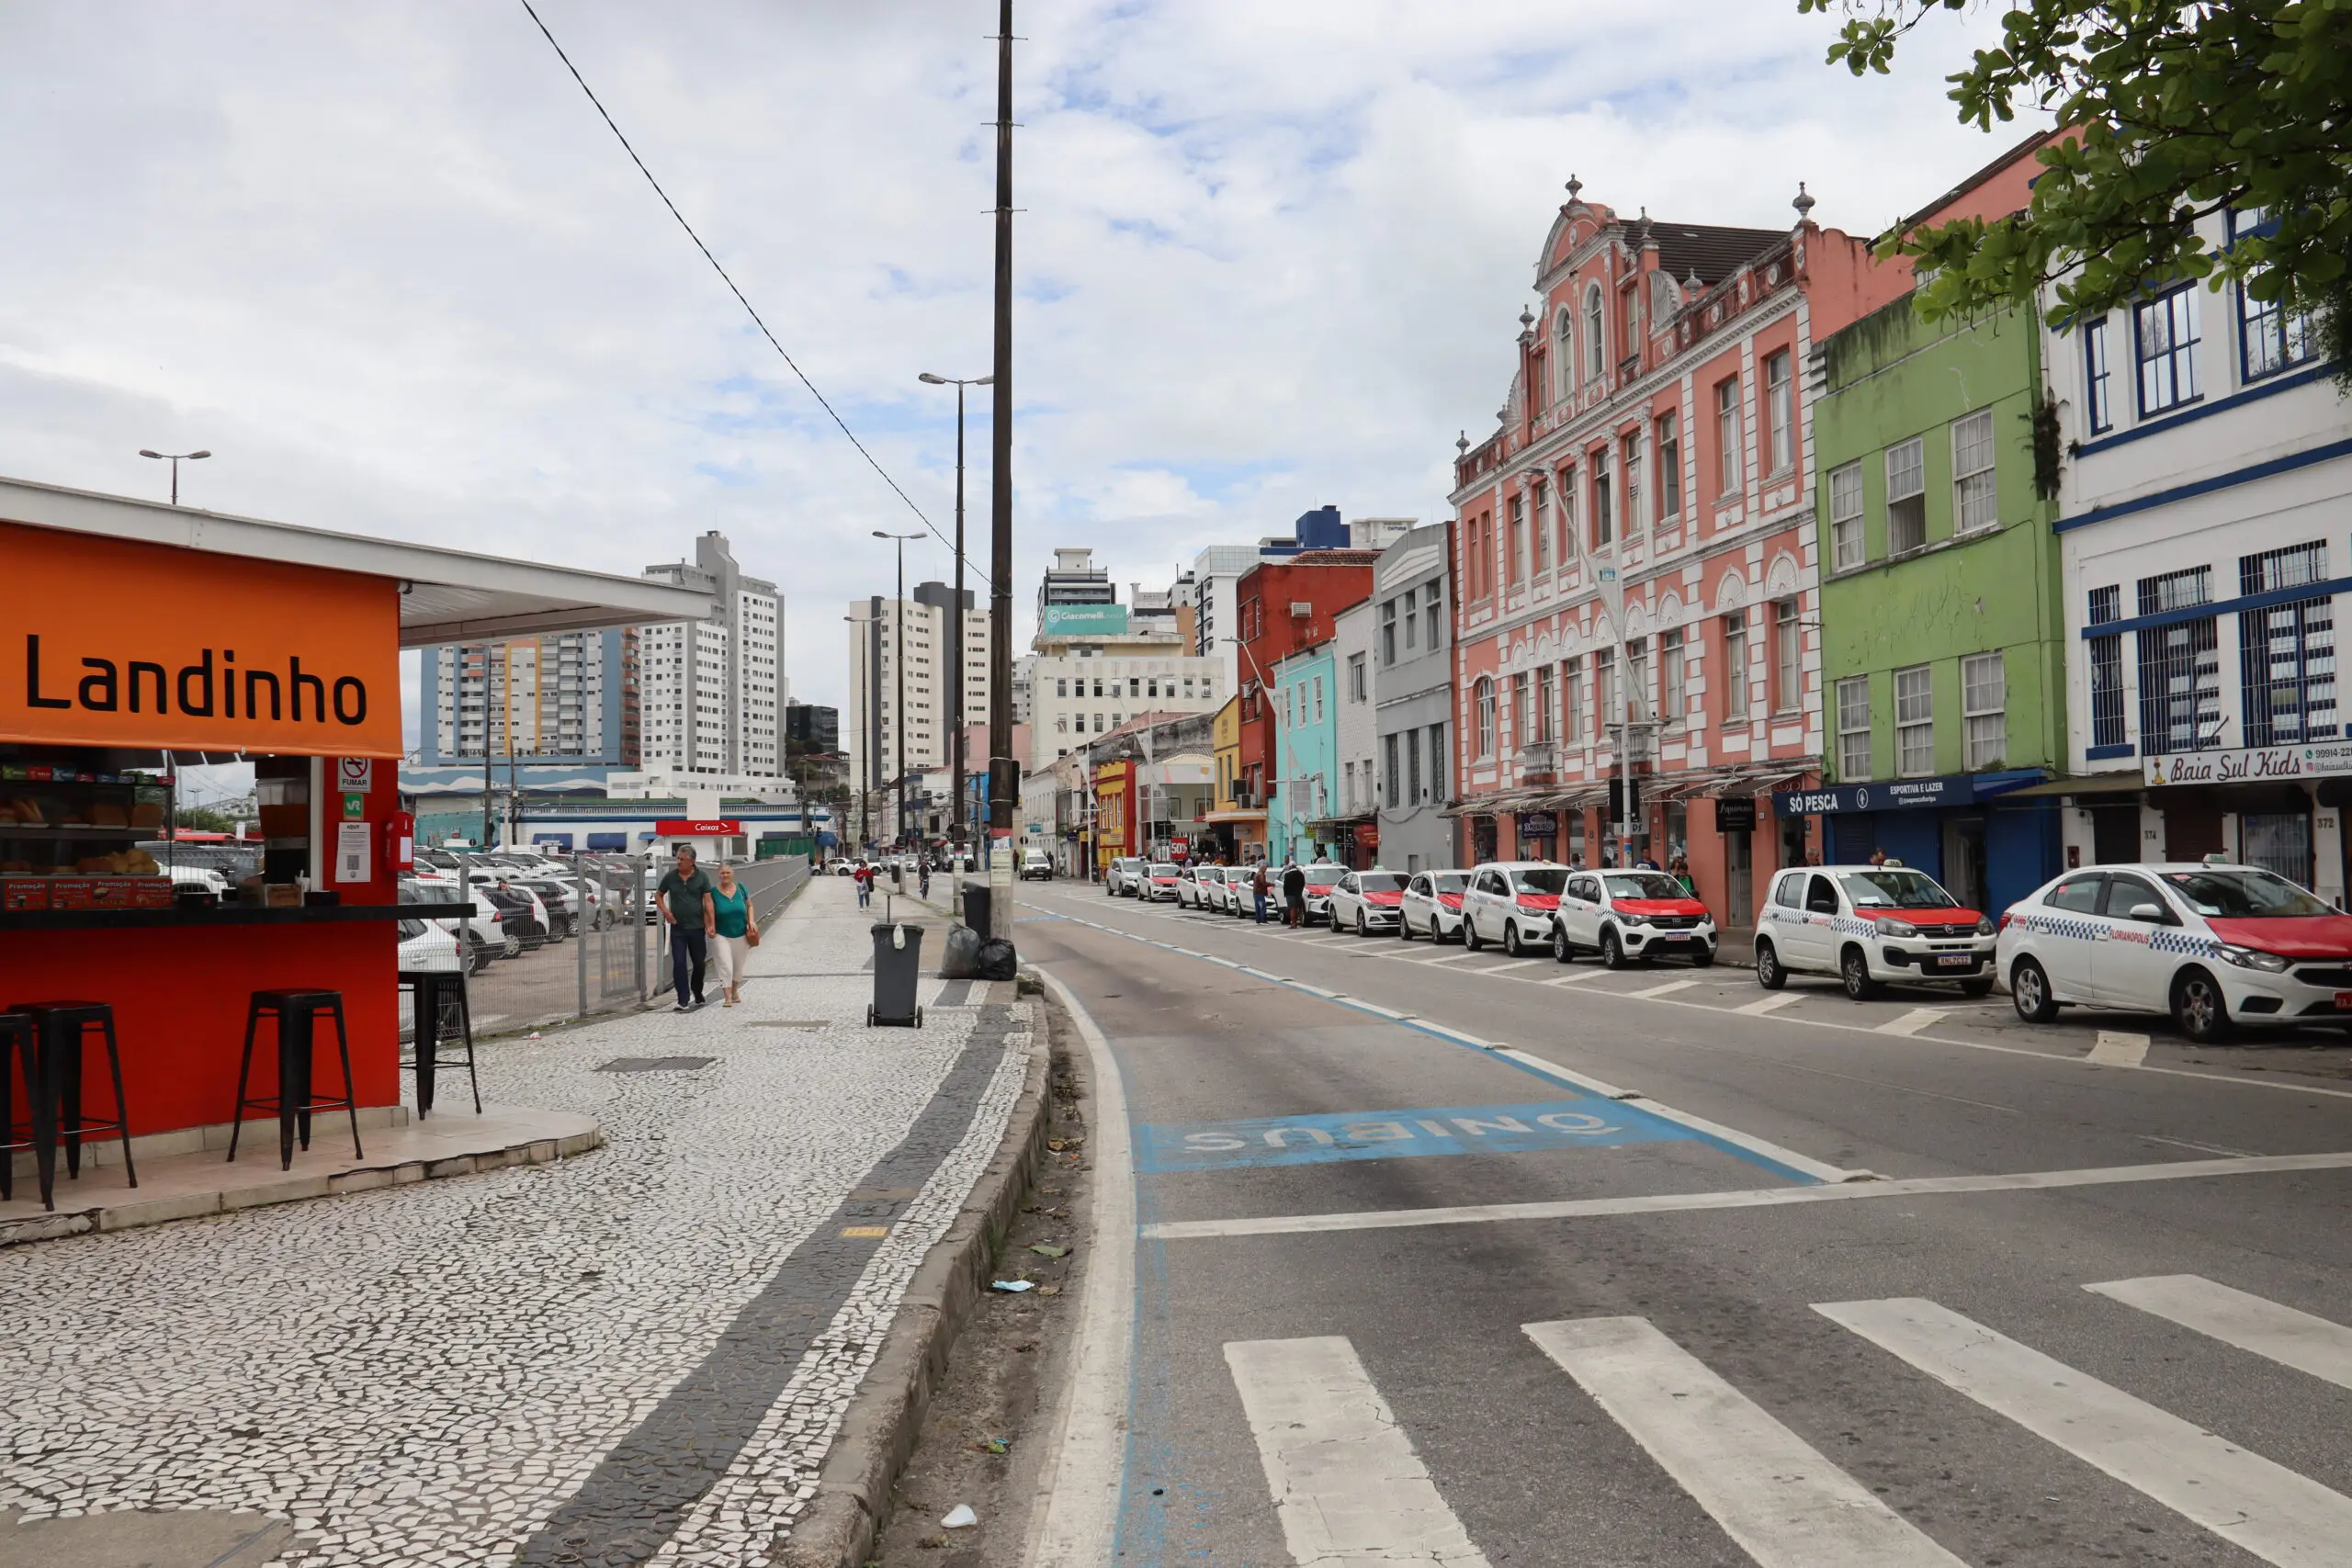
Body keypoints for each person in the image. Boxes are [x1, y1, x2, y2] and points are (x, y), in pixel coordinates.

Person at [656, 845, 717, 1011]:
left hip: (697, 928)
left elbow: (708, 901)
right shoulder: (671, 877)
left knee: (699, 963)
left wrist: (711, 923)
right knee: (679, 963)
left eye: (682, 859)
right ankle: (682, 999)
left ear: (692, 861)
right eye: (678, 858)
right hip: (678, 928)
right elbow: (658, 895)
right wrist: (666, 911)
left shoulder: (702, 877)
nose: (679, 862)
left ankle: (697, 991)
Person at [708, 863, 760, 1007]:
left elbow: (750, 905)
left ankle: (735, 990)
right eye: (722, 873)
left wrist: (751, 921)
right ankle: (727, 997)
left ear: (733, 873)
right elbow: (708, 911)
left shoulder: (741, 888)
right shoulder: (712, 892)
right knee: (725, 965)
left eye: (728, 873)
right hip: (721, 933)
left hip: (741, 932)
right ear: (718, 874)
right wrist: (710, 926)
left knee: (738, 966)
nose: (725, 875)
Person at [1282, 858, 1306, 928]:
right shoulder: (1300, 874)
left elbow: (1285, 885)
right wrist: (1300, 891)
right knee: (1296, 908)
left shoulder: (1287, 875)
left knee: (1292, 909)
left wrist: (1285, 894)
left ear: (1290, 867)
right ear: (1295, 866)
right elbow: (1303, 883)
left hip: (1290, 894)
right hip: (1298, 893)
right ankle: (1295, 923)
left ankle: (1293, 923)